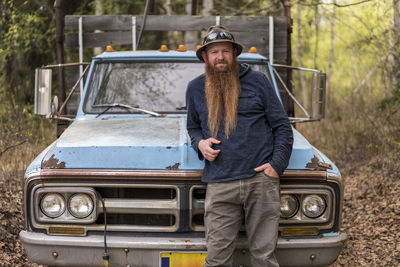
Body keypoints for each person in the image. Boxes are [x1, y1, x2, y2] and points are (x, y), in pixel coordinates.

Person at [186, 25, 293, 267]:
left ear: (234, 53)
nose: (220, 57)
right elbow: (192, 127)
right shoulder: (195, 88)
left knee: (264, 257)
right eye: (214, 52)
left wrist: (276, 166)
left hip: (260, 182)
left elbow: (282, 126)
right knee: (216, 260)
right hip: (220, 183)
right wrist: (200, 143)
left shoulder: (258, 81)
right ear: (205, 56)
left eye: (225, 51)